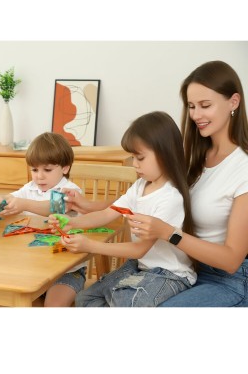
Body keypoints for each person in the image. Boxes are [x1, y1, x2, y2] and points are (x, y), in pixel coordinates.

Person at [123, 61, 248, 307]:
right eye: (191, 106)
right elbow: (143, 196)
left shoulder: (242, 168)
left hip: (227, 280)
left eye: (205, 105)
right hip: (180, 270)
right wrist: (87, 205)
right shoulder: (194, 158)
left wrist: (168, 233)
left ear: (234, 102)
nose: (196, 115)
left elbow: (232, 260)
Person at [49, 111, 196, 307]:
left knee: (126, 301)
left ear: (164, 154)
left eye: (140, 158)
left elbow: (139, 249)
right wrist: (71, 222)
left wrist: (90, 246)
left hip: (170, 275)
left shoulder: (170, 198)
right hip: (141, 267)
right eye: (133, 157)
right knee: (84, 298)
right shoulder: (140, 186)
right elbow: (106, 214)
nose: (134, 164)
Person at [0, 132, 85, 307]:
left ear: (65, 168)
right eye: (34, 170)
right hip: (32, 267)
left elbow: (55, 207)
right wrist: (1, 200)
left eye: (47, 170)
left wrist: (24, 204)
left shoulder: (71, 191)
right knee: (2, 299)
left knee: (53, 307)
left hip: (67, 271)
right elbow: (11, 197)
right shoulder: (30, 188)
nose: (39, 176)